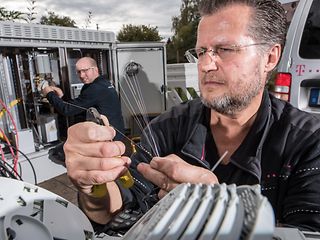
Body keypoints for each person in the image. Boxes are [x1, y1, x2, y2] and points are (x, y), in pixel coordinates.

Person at [64, 0, 320, 234]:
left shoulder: (309, 143)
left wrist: (224, 213)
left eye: (225, 49)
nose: (206, 65)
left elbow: (308, 231)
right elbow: (119, 207)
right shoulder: (168, 127)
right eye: (201, 52)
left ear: (270, 57)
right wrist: (94, 184)